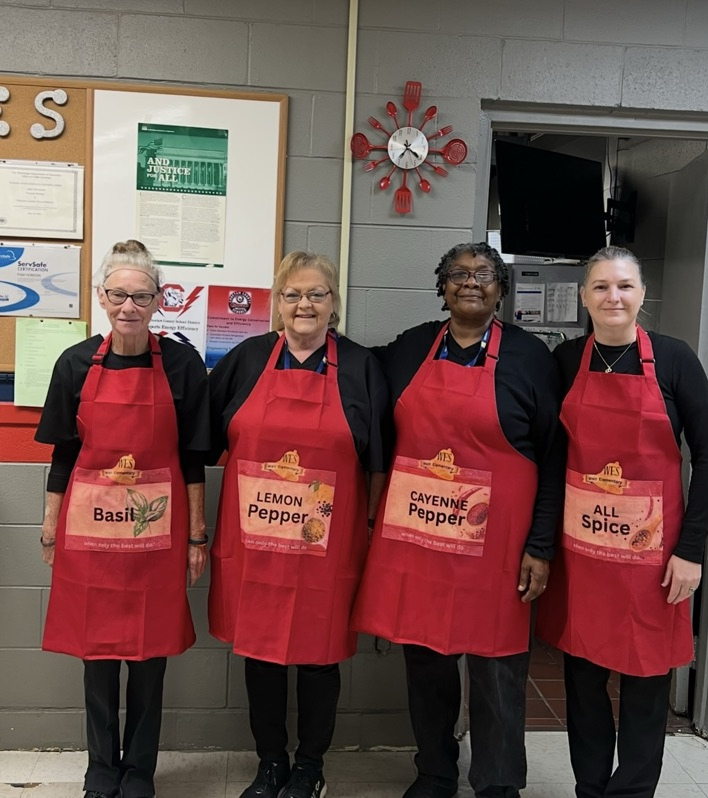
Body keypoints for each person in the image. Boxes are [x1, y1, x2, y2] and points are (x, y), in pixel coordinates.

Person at [351, 242, 564, 798]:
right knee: (427, 669)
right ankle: (434, 773)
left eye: (485, 274)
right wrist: (302, 329)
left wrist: (540, 545)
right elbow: (353, 373)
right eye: (458, 274)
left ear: (501, 288)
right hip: (421, 539)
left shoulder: (530, 358)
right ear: (441, 286)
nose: (471, 282)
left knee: (497, 674)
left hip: (498, 546)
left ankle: (497, 785)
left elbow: (553, 457)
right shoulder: (410, 348)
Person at [536, 246, 708, 798]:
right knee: (584, 681)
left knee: (646, 684)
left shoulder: (675, 358)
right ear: (583, 296)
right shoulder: (565, 361)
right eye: (600, 286)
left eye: (623, 286)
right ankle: (590, 788)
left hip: (655, 560)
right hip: (584, 556)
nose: (612, 297)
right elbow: (550, 457)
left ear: (642, 295)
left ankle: (633, 792)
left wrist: (692, 550)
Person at [207, 251, 390, 798]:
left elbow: (378, 459)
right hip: (255, 542)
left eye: (316, 294)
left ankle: (310, 766)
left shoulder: (360, 367)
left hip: (326, 547)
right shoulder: (246, 359)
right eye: (293, 294)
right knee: (260, 655)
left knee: (319, 657)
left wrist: (374, 531)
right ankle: (269, 763)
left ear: (333, 304)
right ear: (277, 303)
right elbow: (199, 438)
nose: (304, 304)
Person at [35, 239, 210, 798]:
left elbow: (191, 459)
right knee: (99, 658)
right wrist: (48, 524)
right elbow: (64, 453)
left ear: (159, 300)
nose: (128, 305)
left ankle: (139, 771)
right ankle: (100, 770)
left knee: (150, 659)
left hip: (158, 539)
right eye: (118, 294)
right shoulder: (74, 363)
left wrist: (197, 535)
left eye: (140, 295)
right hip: (90, 536)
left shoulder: (182, 365)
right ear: (102, 298)